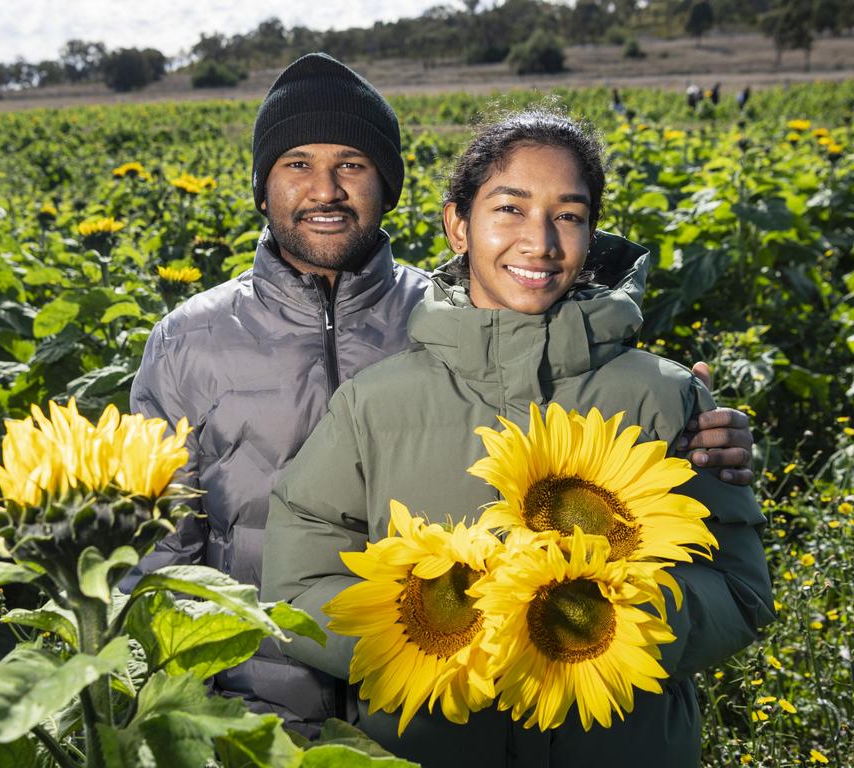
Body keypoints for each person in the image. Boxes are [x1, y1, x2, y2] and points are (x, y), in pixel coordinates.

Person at [123, 53, 756, 738]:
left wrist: (706, 430)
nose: (326, 189)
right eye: (297, 164)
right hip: (256, 704)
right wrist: (161, 708)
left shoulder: (463, 315)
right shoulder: (191, 339)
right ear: (263, 184)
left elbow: (579, 373)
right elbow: (156, 551)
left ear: (388, 185)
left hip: (427, 719)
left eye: (353, 165)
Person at [262, 108, 774, 765]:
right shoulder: (375, 404)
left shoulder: (663, 396)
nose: (540, 242)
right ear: (458, 224)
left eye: (568, 214)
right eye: (509, 208)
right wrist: (437, 636)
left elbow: (739, 591)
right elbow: (294, 589)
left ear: (591, 233)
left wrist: (614, 627)